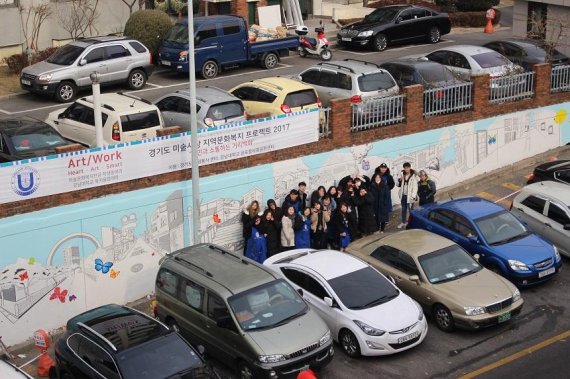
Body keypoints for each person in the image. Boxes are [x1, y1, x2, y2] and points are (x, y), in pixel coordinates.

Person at [397, 162, 418, 229]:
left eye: (407, 168)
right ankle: (403, 222)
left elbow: (415, 187)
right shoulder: (402, 174)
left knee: (411, 210)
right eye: (405, 168)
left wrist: (413, 197)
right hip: (403, 195)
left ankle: (412, 223)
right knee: (403, 210)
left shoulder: (413, 176)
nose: (406, 169)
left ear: (409, 168)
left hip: (410, 197)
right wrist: (400, 180)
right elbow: (398, 185)